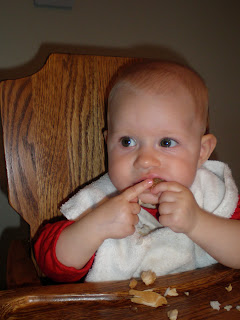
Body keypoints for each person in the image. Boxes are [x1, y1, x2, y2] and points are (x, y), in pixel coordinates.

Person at [34, 60, 240, 283]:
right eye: (127, 141)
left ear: (201, 152)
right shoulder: (101, 202)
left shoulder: (210, 194)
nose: (145, 161)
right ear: (107, 144)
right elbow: (49, 264)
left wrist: (197, 223)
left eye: (167, 142)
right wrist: (95, 227)